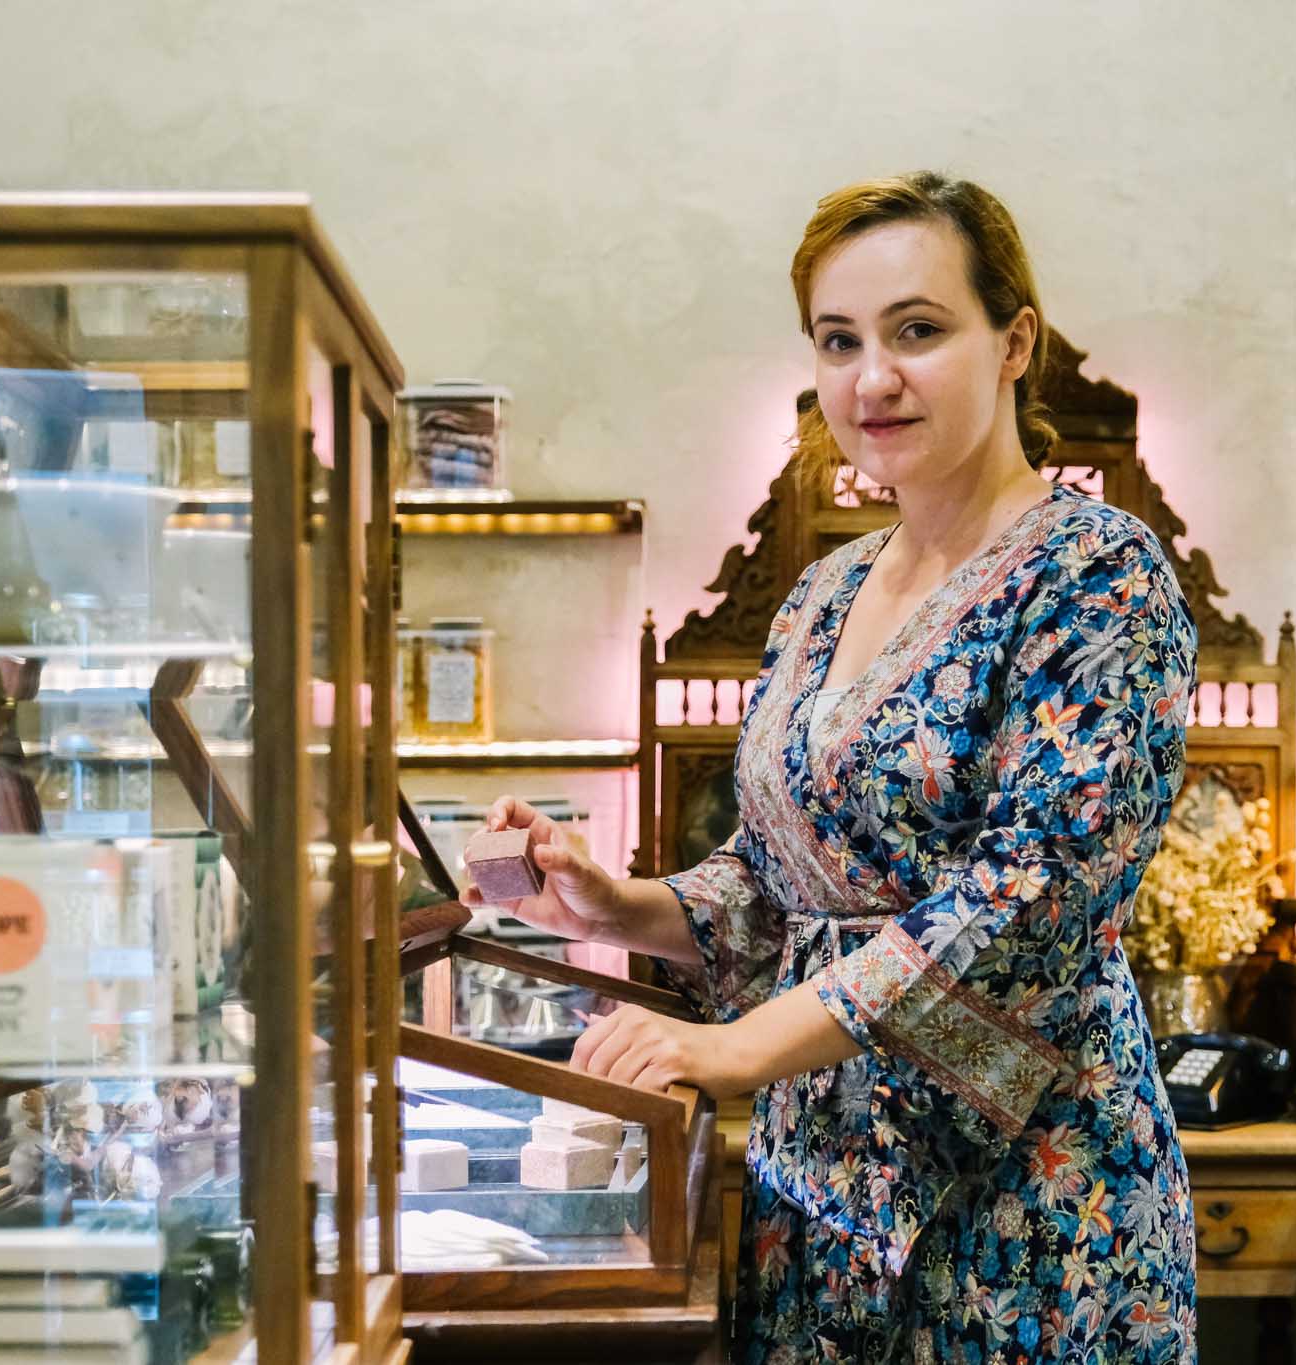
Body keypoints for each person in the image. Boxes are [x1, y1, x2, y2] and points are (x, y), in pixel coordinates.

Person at [474, 171, 1199, 1364]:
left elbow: (1031, 899)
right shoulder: (821, 592)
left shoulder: (1095, 571)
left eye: (916, 331)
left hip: (1020, 1194)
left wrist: (736, 1048)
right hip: (815, 1188)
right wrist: (618, 906)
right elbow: (779, 881)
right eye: (837, 340)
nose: (872, 379)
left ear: (1013, 341)